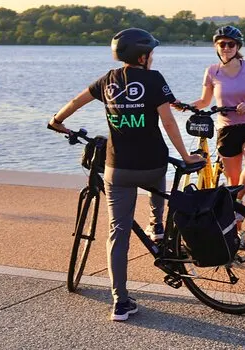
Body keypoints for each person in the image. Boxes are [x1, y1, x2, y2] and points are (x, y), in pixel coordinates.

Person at [48, 28, 202, 322]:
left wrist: (57, 122)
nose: (153, 57)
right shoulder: (154, 80)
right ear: (143, 56)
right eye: (151, 53)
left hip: (117, 169)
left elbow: (75, 102)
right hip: (153, 164)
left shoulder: (108, 80)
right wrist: (185, 155)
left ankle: (120, 302)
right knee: (158, 181)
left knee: (117, 233)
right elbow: (168, 121)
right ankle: (157, 226)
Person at [184, 25, 245, 248]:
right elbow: (204, 101)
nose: (227, 47)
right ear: (216, 47)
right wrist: (185, 106)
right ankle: (235, 234)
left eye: (231, 44)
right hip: (226, 129)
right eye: (222, 44)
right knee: (231, 183)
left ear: (237, 46)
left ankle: (239, 200)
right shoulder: (212, 71)